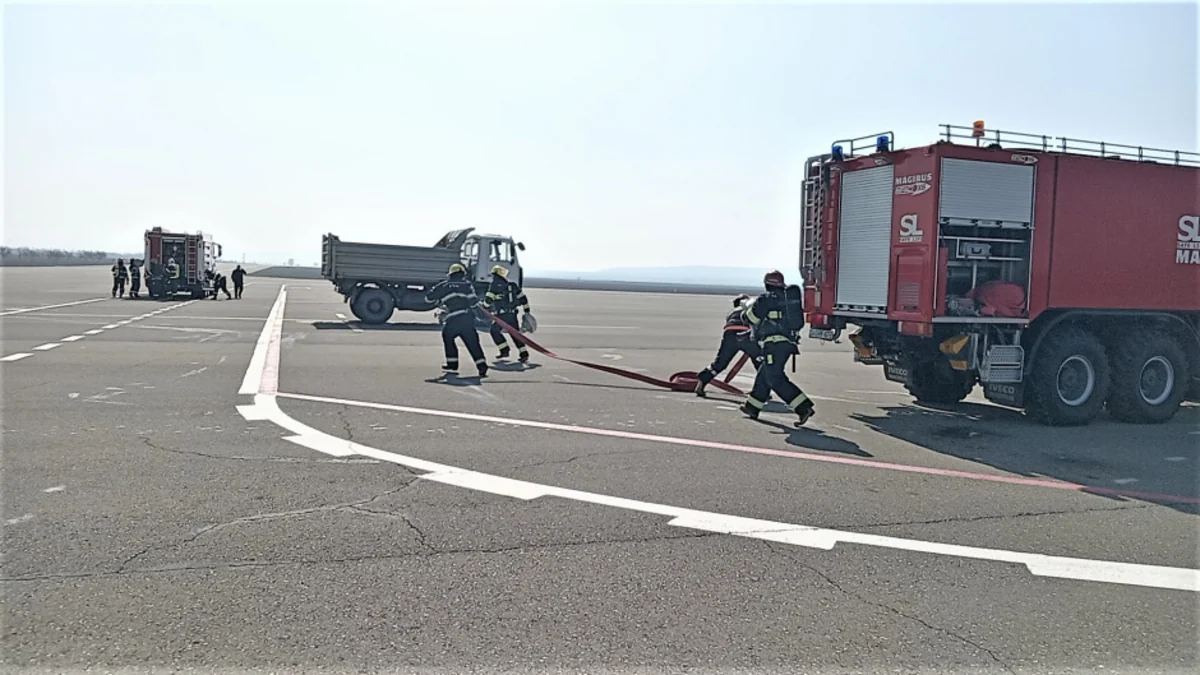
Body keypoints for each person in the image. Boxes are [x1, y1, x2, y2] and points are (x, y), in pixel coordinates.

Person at [740, 270, 816, 426]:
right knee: (764, 375)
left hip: (773, 345)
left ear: (767, 285)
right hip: (787, 344)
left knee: (775, 379)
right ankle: (752, 407)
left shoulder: (766, 299)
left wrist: (746, 310)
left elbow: (751, 318)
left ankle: (803, 408)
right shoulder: (788, 299)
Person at [424, 263, 489, 378]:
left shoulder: (443, 285)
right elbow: (473, 302)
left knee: (448, 337)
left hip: (453, 319)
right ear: (462, 274)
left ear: (450, 274)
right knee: (473, 343)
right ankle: (482, 366)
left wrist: (439, 299)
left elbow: (428, 298)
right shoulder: (467, 285)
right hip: (467, 318)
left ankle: (452, 364)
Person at [694, 293, 760, 397]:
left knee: (720, 363)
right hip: (746, 334)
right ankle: (761, 390)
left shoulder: (731, 313)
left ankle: (702, 381)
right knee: (760, 363)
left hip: (729, 333)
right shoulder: (752, 308)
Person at [481, 265, 531, 362]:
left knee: (494, 331)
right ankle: (524, 354)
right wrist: (527, 312)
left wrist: (484, 307)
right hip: (512, 315)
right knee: (515, 334)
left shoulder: (494, 285)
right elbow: (523, 299)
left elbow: (488, 300)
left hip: (501, 315)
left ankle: (504, 350)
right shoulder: (513, 285)